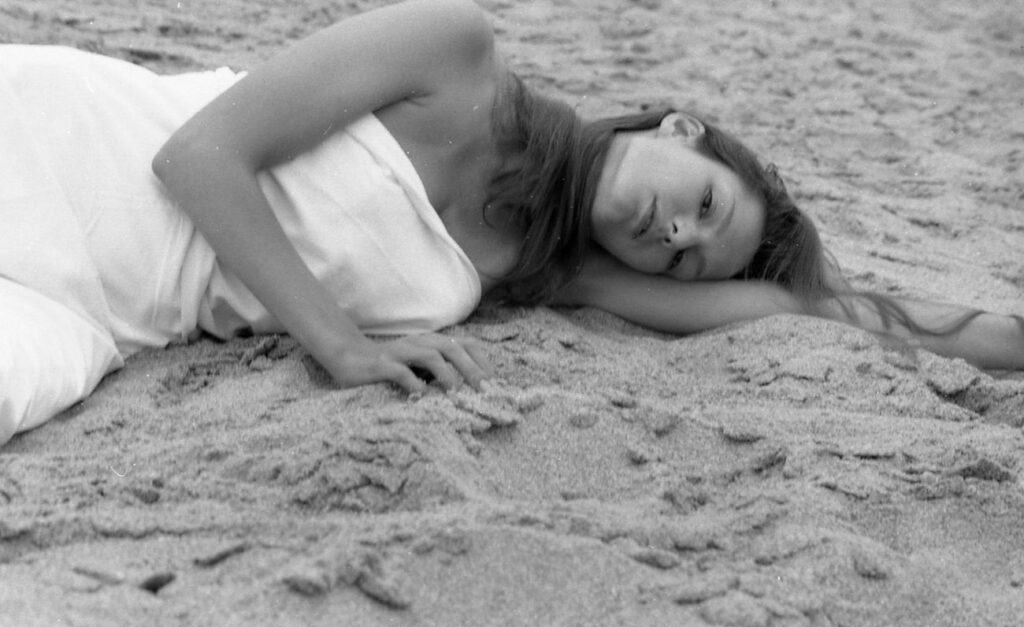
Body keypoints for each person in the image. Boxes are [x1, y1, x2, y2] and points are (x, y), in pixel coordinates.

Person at [1, 0, 1020, 445]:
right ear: (679, 128)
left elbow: (819, 313)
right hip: (63, 152)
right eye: (703, 203)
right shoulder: (454, 50)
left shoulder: (543, 269)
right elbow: (197, 158)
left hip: (110, 318)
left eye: (685, 259)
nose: (675, 235)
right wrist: (345, 348)